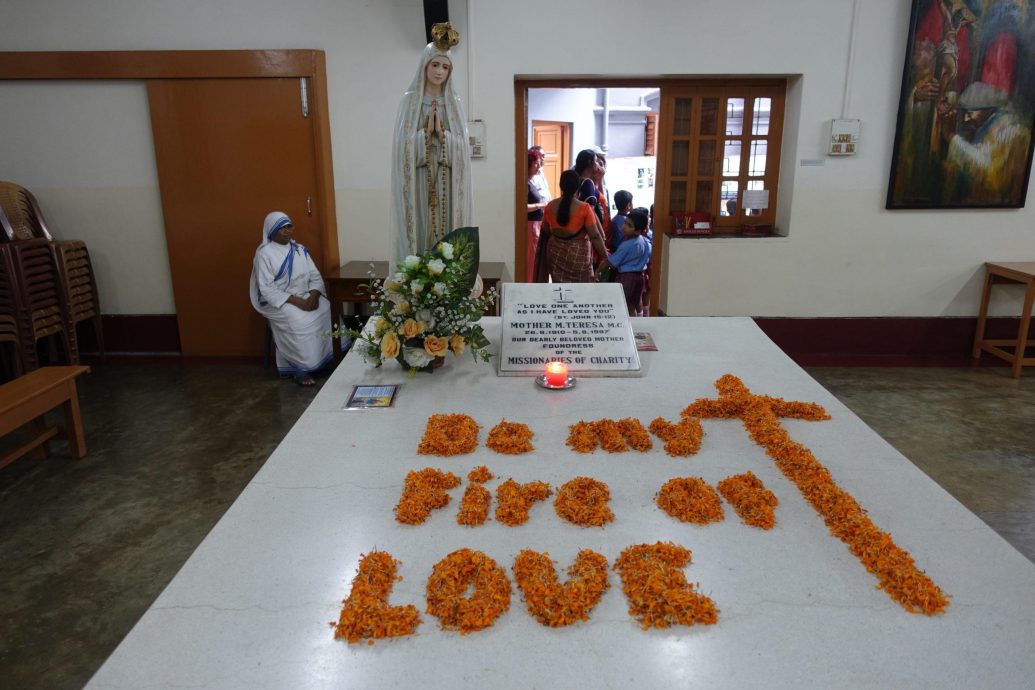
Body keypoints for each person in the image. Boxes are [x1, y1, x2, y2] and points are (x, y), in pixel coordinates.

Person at [390, 21, 472, 269]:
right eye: (435, 65)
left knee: (447, 231)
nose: (439, 72)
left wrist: (443, 136)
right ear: (424, 66)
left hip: (447, 180)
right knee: (421, 227)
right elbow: (401, 149)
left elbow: (463, 151)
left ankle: (447, 274)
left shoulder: (453, 104)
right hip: (419, 180)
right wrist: (424, 135)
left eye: (445, 67)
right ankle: (416, 274)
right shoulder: (410, 102)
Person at [249, 211, 332, 386]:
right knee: (297, 320)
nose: (288, 231)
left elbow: (315, 276)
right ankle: (299, 368)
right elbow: (267, 289)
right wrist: (298, 302)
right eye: (282, 228)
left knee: (326, 307)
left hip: (306, 295)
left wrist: (314, 296)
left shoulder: (299, 249)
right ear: (272, 231)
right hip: (279, 300)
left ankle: (325, 359)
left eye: (289, 226)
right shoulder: (264, 254)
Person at [536, 169, 609, 283]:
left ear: (561, 186)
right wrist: (606, 257)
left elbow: (546, 229)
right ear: (578, 187)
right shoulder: (585, 208)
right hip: (579, 258)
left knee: (560, 289)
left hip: (556, 255)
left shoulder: (550, 206)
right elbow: (595, 236)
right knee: (581, 290)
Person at [597, 209, 652, 317]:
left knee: (621, 305)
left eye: (629, 225)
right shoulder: (645, 242)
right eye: (625, 222)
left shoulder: (626, 245)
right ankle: (633, 325)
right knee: (632, 306)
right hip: (640, 277)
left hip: (626, 278)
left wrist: (598, 270)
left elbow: (610, 262)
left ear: (637, 231)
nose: (624, 226)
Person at [526, 147, 548, 281]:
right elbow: (522, 207)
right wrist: (541, 205)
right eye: (536, 164)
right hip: (531, 225)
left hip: (536, 224)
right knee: (532, 259)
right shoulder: (525, 183)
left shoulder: (531, 181)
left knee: (536, 258)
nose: (539, 166)